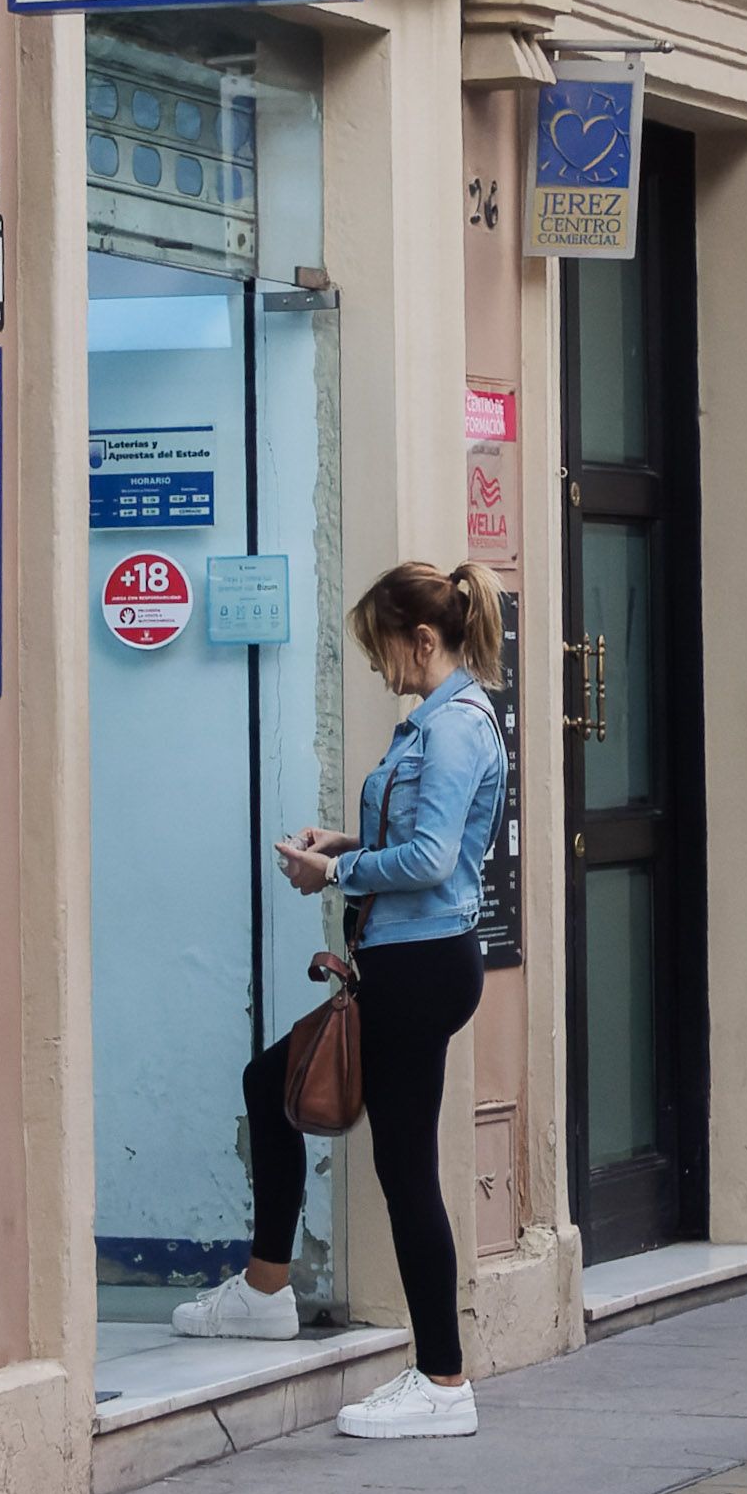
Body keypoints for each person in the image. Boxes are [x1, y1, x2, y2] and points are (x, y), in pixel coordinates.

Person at [170, 560, 512, 1440]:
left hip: (420, 964)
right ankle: (266, 1288)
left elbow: (434, 859)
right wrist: (348, 839)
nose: (378, 667)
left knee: (404, 1171)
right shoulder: (435, 724)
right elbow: (421, 838)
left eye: (383, 649)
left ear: (423, 639)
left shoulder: (455, 729)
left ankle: (442, 1377)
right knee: (271, 1086)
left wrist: (337, 869)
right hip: (406, 960)